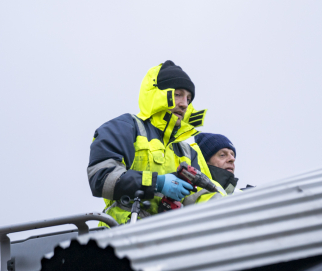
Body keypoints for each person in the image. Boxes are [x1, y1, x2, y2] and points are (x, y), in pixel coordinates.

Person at [87, 61, 219, 225]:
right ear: (158, 94)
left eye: (188, 98)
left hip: (168, 241)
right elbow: (101, 178)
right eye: (178, 94)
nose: (185, 104)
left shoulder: (188, 152)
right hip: (120, 236)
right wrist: (157, 183)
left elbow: (201, 197)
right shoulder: (125, 128)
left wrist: (233, 208)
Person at [183, 133, 239, 205]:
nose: (232, 159)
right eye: (222, 155)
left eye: (232, 155)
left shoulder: (240, 194)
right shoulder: (193, 191)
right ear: (204, 161)